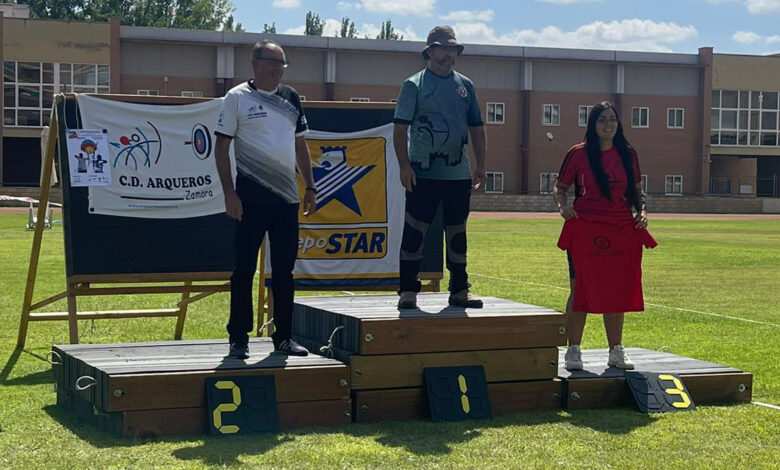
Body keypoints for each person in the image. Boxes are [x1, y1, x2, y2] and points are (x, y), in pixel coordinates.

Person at [215, 40, 316, 359]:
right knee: (244, 270)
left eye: (282, 65)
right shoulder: (237, 98)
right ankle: (238, 338)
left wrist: (310, 186)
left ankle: (284, 336)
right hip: (249, 198)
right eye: (272, 63)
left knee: (284, 272)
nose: (277, 70)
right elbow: (221, 149)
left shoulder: (291, 98)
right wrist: (229, 193)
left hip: (286, 200)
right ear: (255, 63)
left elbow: (301, 146)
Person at [393, 25, 487, 310]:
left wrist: (481, 164)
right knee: (414, 231)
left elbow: (477, 128)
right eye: (442, 48)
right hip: (422, 173)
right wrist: (404, 165)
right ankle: (408, 290)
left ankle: (460, 289)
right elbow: (399, 129)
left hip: (458, 175)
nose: (447, 54)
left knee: (457, 232)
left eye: (452, 49)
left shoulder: (465, 86)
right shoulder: (414, 85)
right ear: (430, 51)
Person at [553, 101, 650, 370]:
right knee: (579, 287)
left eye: (612, 120)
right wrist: (564, 207)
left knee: (617, 289)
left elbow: (637, 191)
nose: (608, 125)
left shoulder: (628, 154)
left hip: (620, 227)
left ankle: (616, 350)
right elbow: (560, 187)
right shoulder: (578, 154)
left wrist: (642, 211)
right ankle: (573, 349)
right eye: (602, 120)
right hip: (585, 227)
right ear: (593, 125)